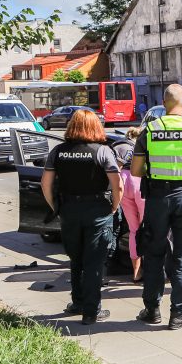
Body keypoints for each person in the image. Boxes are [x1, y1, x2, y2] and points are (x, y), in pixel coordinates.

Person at [131, 84, 182, 330]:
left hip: (157, 199)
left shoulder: (149, 130)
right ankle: (179, 313)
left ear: (163, 104)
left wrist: (157, 172)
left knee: (154, 253)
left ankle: (152, 310)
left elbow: (136, 170)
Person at [40, 110, 123, 325]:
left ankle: (77, 302)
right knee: (94, 261)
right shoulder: (103, 151)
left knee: (76, 259)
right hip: (97, 210)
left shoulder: (58, 151)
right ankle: (91, 311)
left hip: (69, 210)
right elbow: (117, 185)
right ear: (96, 126)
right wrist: (114, 207)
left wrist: (55, 206)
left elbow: (45, 184)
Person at [113, 126, 145, 281]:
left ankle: (136, 272)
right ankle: (153, 267)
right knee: (149, 228)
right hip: (140, 181)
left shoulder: (120, 145)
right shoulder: (143, 146)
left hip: (124, 183)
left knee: (134, 230)